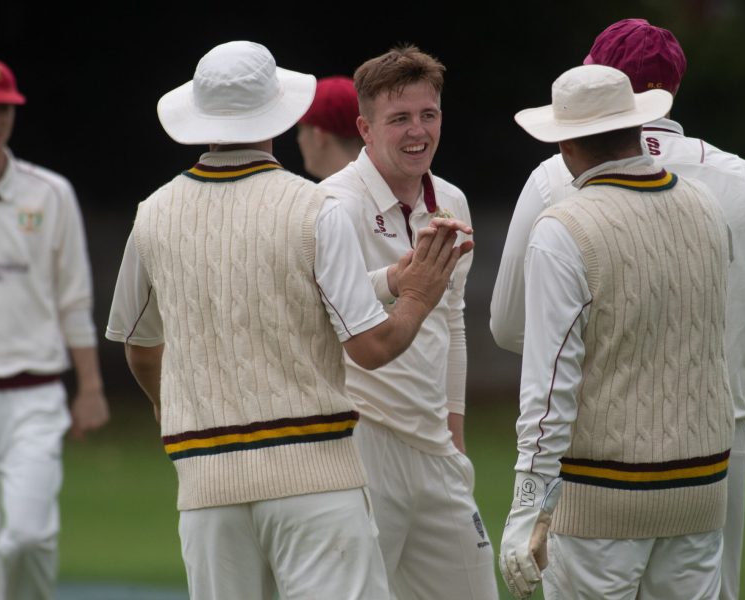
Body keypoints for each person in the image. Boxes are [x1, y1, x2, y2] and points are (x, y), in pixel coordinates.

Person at [104, 40, 473, 600]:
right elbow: (370, 347)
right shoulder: (315, 206)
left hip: (206, 486)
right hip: (316, 480)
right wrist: (419, 294)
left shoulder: (152, 213)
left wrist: (165, 409)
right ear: (279, 113)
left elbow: (139, 346)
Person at [489, 19, 745, 600]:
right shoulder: (720, 195)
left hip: (602, 480)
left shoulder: (559, 206)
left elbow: (536, 356)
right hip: (707, 462)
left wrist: (527, 502)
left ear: (565, 139)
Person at [497, 63, 734, 600]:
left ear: (567, 145)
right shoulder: (706, 207)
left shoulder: (564, 228)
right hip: (700, 491)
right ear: (635, 129)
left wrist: (527, 505)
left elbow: (549, 384)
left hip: (601, 502)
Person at [320, 45, 499, 600]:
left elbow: (452, 323)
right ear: (365, 128)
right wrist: (392, 280)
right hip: (362, 439)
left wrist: (455, 434)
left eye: (429, 115)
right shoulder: (333, 203)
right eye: (399, 118)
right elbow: (328, 313)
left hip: (435, 448)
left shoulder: (451, 201)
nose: (417, 131)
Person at [0, 56, 110, 599]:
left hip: (33, 396)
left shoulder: (50, 193)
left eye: (4, 109)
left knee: (28, 539)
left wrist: (92, 388)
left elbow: (74, 298)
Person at [296, 75, 363, 179]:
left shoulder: (322, 194)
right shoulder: (388, 188)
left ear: (319, 136)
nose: (299, 140)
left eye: (301, 130)